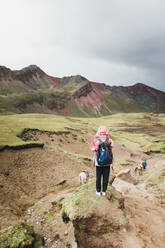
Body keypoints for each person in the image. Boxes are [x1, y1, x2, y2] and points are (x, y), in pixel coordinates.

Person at [90, 126, 114, 196]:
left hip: (98, 162)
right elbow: (112, 147)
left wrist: (97, 147)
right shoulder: (110, 140)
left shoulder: (95, 140)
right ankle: (104, 191)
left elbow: (92, 149)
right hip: (107, 162)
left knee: (98, 177)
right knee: (106, 177)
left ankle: (98, 191)